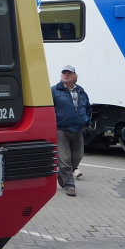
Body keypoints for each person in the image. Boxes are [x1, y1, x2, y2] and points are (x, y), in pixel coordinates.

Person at [51, 65, 91, 197]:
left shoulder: (81, 91)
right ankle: (70, 185)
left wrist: (86, 120)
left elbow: (87, 108)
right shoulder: (54, 91)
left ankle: (62, 175)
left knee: (77, 157)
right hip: (61, 129)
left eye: (69, 73)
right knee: (65, 158)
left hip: (78, 129)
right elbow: (49, 109)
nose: (66, 75)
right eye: (64, 73)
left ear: (75, 76)